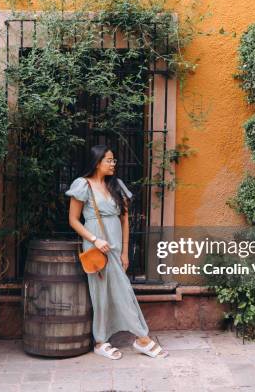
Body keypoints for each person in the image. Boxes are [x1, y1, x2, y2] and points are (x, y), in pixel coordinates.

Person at [66, 144, 169, 360]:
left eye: (114, 160)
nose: (113, 164)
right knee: (101, 294)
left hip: (115, 247)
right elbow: (73, 220)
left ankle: (136, 338)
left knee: (122, 290)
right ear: (97, 162)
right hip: (96, 246)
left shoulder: (117, 186)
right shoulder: (83, 185)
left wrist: (124, 252)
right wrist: (94, 239)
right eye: (109, 160)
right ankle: (107, 341)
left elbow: (124, 221)